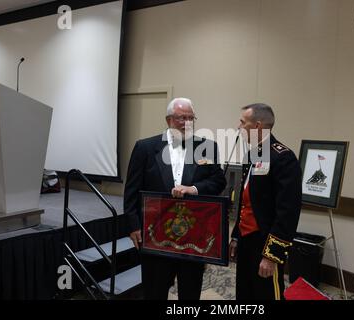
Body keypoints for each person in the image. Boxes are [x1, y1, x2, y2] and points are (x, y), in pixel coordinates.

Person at [124, 97, 226, 300]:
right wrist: (133, 226)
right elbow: (132, 189)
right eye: (181, 117)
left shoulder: (208, 146)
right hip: (156, 233)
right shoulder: (145, 147)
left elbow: (218, 182)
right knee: (155, 288)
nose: (187, 122)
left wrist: (194, 189)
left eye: (191, 118)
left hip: (194, 235)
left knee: (190, 289)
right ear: (169, 119)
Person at [229, 103, 302, 300]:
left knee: (267, 293)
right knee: (245, 292)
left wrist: (272, 255)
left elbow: (288, 212)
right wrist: (236, 235)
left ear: (258, 126)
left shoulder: (283, 158)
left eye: (243, 122)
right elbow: (246, 202)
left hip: (265, 242)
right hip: (246, 239)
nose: (239, 126)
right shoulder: (251, 154)